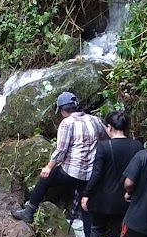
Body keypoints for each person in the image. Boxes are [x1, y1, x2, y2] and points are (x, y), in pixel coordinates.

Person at [11, 92, 106, 223]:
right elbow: (104, 139)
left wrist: (49, 167)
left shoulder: (67, 123)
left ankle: (29, 211)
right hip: (90, 173)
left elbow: (61, 149)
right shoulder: (94, 120)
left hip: (71, 172)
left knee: (45, 179)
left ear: (62, 110)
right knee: (85, 201)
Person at [78, 110, 142, 237]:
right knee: (116, 235)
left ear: (110, 127)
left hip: (102, 198)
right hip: (124, 199)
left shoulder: (104, 146)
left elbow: (96, 174)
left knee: (97, 229)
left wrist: (86, 194)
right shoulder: (137, 146)